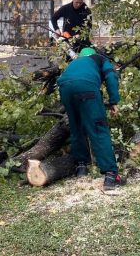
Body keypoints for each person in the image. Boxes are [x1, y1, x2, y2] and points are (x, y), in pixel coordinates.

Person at [57, 46, 125, 189]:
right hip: (86, 86)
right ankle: (111, 176)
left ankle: (81, 168)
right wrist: (114, 101)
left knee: (76, 127)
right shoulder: (100, 59)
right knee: (99, 129)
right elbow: (111, 77)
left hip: (64, 88)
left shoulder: (74, 63)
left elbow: (71, 79)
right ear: (94, 54)